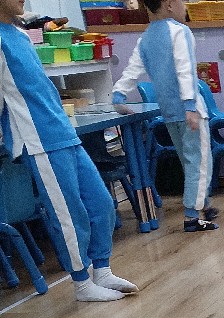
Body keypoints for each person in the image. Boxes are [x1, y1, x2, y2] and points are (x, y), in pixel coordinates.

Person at [0, 0, 137, 300]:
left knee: (101, 203)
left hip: (64, 132)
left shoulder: (20, 34)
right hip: (39, 141)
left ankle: (102, 269)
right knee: (69, 215)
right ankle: (82, 283)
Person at [112, 0, 216, 232]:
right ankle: (192, 216)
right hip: (190, 112)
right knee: (200, 165)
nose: (185, 6)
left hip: (169, 114)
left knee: (189, 162)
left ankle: (205, 204)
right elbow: (185, 70)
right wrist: (190, 105)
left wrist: (118, 95)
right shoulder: (179, 31)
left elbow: (132, 70)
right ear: (169, 4)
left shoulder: (146, 38)